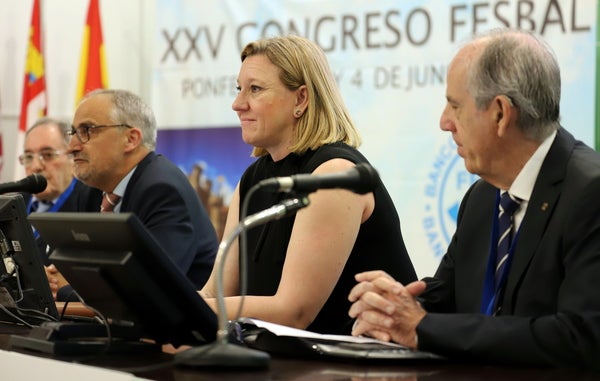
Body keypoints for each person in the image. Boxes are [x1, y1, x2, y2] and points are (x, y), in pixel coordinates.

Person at [348, 28, 600, 369]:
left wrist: (421, 326)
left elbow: (579, 337)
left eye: (454, 105)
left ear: (499, 113)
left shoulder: (590, 193)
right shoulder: (482, 196)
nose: (444, 122)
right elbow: (448, 298)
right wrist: (394, 305)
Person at [199, 35, 417, 335]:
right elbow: (215, 293)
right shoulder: (253, 179)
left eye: (255, 89)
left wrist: (184, 310)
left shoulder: (334, 173)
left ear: (301, 99)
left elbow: (294, 312)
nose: (238, 104)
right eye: (239, 89)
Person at [53, 89, 219, 298]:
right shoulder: (91, 192)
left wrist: (64, 290)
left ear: (131, 139)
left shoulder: (162, 191)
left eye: (87, 130)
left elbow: (148, 288)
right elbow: (82, 268)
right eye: (73, 133)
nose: (72, 147)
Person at [19, 117, 102, 266]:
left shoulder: (93, 203)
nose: (36, 166)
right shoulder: (15, 203)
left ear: (72, 157)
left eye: (48, 155)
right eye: (29, 157)